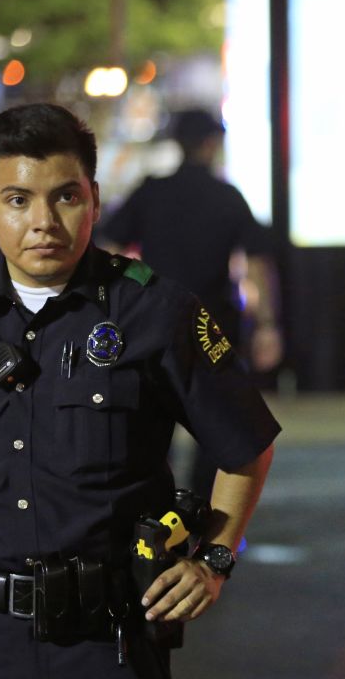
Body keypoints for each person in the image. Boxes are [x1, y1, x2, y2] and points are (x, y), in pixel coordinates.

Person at [0, 103, 279, 678]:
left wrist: (213, 559)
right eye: (17, 199)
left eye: (66, 196)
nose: (44, 221)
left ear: (95, 200)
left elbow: (247, 444)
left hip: (105, 643)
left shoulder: (156, 312)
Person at [98, 109, 282, 499]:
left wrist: (135, 285)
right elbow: (258, 263)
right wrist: (266, 324)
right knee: (215, 426)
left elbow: (109, 246)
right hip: (213, 324)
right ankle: (203, 518)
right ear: (210, 144)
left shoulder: (151, 190)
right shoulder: (227, 196)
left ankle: (151, 516)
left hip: (150, 323)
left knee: (150, 422)